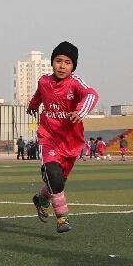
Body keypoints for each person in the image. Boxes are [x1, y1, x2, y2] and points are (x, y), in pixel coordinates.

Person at [27, 41, 99, 233]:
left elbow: (91, 95)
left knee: (58, 182)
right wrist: (32, 105)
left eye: (67, 62)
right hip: (48, 137)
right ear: (52, 63)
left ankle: (41, 198)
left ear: (73, 66)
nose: (62, 65)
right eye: (58, 61)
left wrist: (80, 111)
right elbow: (38, 95)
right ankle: (62, 217)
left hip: (71, 142)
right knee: (54, 177)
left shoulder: (75, 84)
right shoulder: (44, 81)